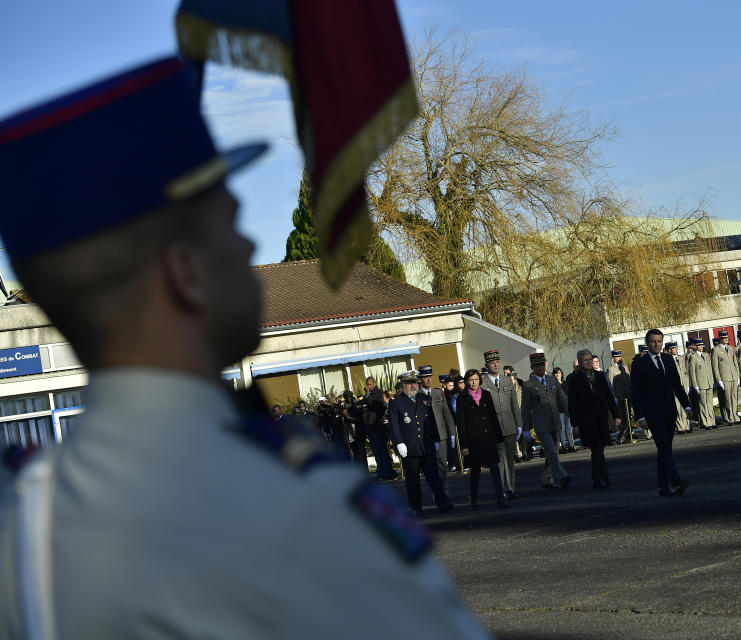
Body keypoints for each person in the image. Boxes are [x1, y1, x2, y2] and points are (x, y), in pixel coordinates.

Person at [0, 56, 489, 638]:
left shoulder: (24, 522)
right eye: (230, 223)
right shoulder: (297, 505)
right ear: (185, 273)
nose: (249, 242)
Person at [631, 330, 692, 497]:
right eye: (653, 341)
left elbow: (677, 385)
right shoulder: (639, 363)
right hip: (652, 413)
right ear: (647, 343)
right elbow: (635, 392)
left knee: (665, 450)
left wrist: (686, 405)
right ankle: (677, 480)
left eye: (659, 341)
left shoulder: (667, 359)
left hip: (669, 411)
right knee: (664, 447)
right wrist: (640, 416)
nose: (656, 344)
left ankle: (662, 486)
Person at [389, 370, 455, 516]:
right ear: (403, 384)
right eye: (409, 383)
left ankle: (442, 503)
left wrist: (436, 439)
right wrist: (399, 443)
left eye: (414, 383)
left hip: (426, 445)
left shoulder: (424, 398)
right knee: (412, 481)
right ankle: (416, 507)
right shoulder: (396, 402)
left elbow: (431, 421)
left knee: (434, 477)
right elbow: (393, 426)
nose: (412, 386)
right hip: (409, 447)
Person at [567, 349, 620, 488]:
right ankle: (604, 478)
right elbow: (572, 403)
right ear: (580, 362)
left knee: (599, 449)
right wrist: (575, 423)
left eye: (590, 359)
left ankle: (597, 478)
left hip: (601, 418)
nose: (589, 362)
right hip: (586, 420)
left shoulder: (600, 376)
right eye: (586, 360)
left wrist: (616, 415)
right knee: (596, 448)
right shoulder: (574, 379)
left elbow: (609, 396)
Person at [456, 369, 508, 510]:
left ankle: (500, 499)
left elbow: (493, 417)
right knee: (475, 472)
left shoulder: (486, 395)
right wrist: (464, 444)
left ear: (480, 380)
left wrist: (499, 438)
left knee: (495, 471)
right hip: (473, 440)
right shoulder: (462, 398)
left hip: (488, 437)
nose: (473, 382)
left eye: (476, 379)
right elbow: (461, 423)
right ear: (467, 381)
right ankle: (474, 500)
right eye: (471, 379)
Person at [522, 353, 571, 490]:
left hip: (555, 422)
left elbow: (562, 399)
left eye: (542, 364)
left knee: (552, 453)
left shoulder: (552, 380)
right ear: (532, 367)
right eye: (537, 365)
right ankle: (562, 476)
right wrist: (526, 428)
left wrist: (571, 415)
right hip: (541, 425)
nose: (541, 367)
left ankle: (546, 478)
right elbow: (525, 408)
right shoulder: (528, 385)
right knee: (550, 451)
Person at [481, 350, 523, 500]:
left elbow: (514, 405)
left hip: (510, 426)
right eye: (492, 362)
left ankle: (511, 488)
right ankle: (502, 490)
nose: (495, 364)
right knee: (499, 462)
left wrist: (519, 424)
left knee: (510, 460)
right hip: (494, 429)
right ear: (486, 365)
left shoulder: (506, 380)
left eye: (497, 361)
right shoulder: (483, 383)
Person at [417, 365, 456, 494]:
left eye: (430, 376)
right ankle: (438, 494)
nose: (428, 379)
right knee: (431, 467)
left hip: (441, 435)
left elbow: (447, 415)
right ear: (420, 379)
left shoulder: (438, 393)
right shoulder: (417, 395)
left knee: (442, 466)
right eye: (425, 377)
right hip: (427, 437)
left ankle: (445, 492)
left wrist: (452, 433)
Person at [363, 376, 396, 480]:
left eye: (370, 384)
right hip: (370, 428)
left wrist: (368, 396)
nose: (369, 386)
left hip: (377, 427)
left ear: (374, 383)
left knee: (382, 451)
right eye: (367, 384)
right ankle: (380, 472)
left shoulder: (378, 394)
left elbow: (375, 406)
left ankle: (387, 472)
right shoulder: (368, 395)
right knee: (376, 452)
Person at [711, 330, 741, 425]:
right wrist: (719, 380)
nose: (727, 339)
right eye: (724, 338)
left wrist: (737, 375)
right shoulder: (716, 350)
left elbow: (735, 363)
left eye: (727, 337)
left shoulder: (731, 348)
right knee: (727, 399)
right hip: (725, 378)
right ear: (720, 339)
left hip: (733, 377)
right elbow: (715, 367)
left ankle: (735, 416)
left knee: (734, 398)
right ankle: (730, 417)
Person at [687, 339, 716, 429]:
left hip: (708, 383)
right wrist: (695, 385)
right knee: (703, 404)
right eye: (699, 345)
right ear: (695, 346)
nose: (701, 347)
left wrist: (712, 381)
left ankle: (712, 421)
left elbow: (710, 370)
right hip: (701, 384)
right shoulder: (693, 357)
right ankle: (705, 422)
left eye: (702, 345)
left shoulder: (705, 355)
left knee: (709, 404)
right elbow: (692, 372)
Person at [607, 349, 633, 443]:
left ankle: (629, 434)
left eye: (620, 356)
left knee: (628, 415)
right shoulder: (611, 369)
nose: (619, 358)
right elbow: (610, 384)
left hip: (626, 396)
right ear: (613, 358)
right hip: (618, 397)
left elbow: (628, 380)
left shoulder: (625, 367)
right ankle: (621, 436)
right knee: (621, 417)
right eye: (617, 357)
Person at [666, 342, 691, 433]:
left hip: (683, 384)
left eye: (677, 347)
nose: (676, 349)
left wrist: (687, 384)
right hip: (674, 386)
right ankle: (680, 427)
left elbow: (685, 372)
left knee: (685, 406)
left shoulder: (680, 358)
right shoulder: (667, 360)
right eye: (674, 348)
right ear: (669, 350)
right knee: (677, 407)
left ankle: (686, 425)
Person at [553, 367, 575, 452]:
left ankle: (571, 445)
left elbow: (569, 396)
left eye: (559, 373)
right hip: (559, 410)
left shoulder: (566, 384)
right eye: (556, 373)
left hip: (567, 409)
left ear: (561, 374)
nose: (557, 375)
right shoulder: (553, 386)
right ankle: (563, 445)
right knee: (561, 428)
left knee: (569, 427)